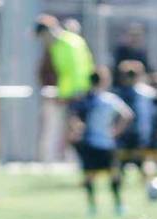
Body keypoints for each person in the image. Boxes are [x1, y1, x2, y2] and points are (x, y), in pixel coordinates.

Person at [67, 68, 132, 216]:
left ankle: (92, 207)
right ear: (104, 81)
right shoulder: (110, 99)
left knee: (89, 175)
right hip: (106, 142)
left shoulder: (84, 99)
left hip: (89, 142)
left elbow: (74, 118)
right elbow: (127, 115)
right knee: (114, 174)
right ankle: (118, 205)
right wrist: (116, 131)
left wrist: (77, 130)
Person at [35, 15, 94, 163]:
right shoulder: (61, 44)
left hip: (75, 94)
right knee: (68, 128)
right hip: (68, 93)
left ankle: (74, 161)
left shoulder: (67, 44)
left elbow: (76, 72)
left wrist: (66, 93)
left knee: (75, 129)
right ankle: (64, 160)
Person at [113, 60, 155, 182]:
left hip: (133, 134)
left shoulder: (146, 93)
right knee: (123, 163)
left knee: (139, 162)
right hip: (131, 133)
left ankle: (145, 186)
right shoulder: (146, 93)